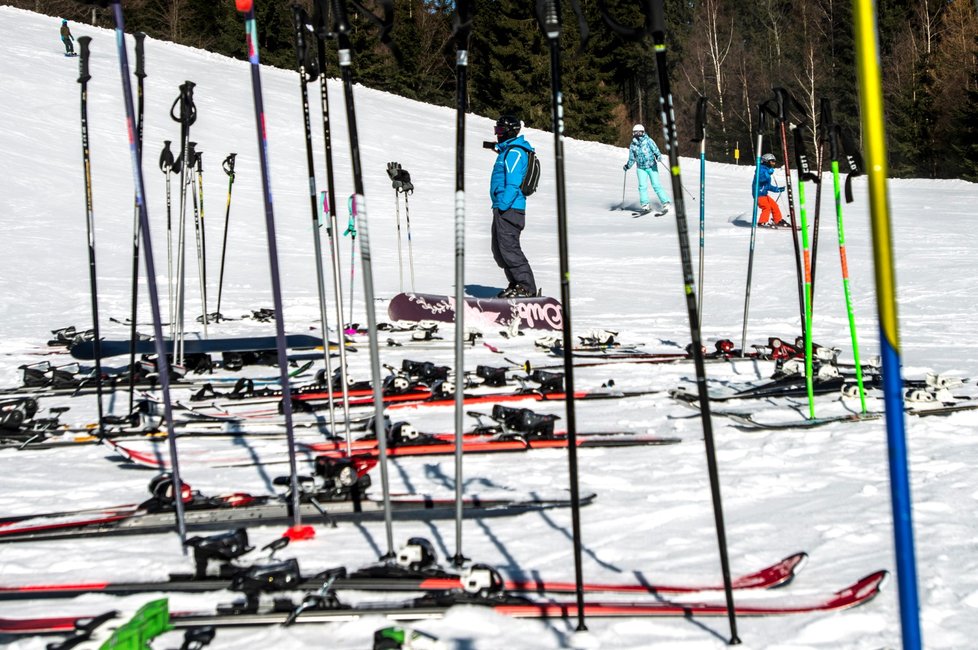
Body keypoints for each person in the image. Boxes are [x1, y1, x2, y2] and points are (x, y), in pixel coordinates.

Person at [490, 114, 537, 299]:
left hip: (510, 208)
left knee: (509, 249)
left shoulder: (515, 152)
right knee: (500, 251)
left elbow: (513, 182)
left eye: (500, 130)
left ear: (510, 131)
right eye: (496, 130)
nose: (498, 134)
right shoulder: (508, 151)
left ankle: (526, 287)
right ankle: (516, 284)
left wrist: (503, 205)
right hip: (502, 208)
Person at [623, 124, 670, 214]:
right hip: (640, 168)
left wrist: (658, 156)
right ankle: (645, 204)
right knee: (642, 186)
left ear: (643, 132)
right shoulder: (633, 145)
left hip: (651, 166)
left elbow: (655, 150)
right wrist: (628, 166)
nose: (638, 134)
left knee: (656, 185)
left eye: (639, 132)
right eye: (635, 132)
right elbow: (632, 158)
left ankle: (666, 202)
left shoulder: (648, 141)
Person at [754, 152, 786, 227]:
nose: (773, 164)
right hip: (758, 194)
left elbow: (767, 186)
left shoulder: (766, 170)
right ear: (766, 161)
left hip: (764, 194)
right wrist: (767, 174)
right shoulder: (760, 169)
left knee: (774, 205)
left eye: (774, 162)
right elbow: (760, 179)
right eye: (772, 161)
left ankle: (778, 221)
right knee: (766, 207)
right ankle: (762, 222)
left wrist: (777, 189)